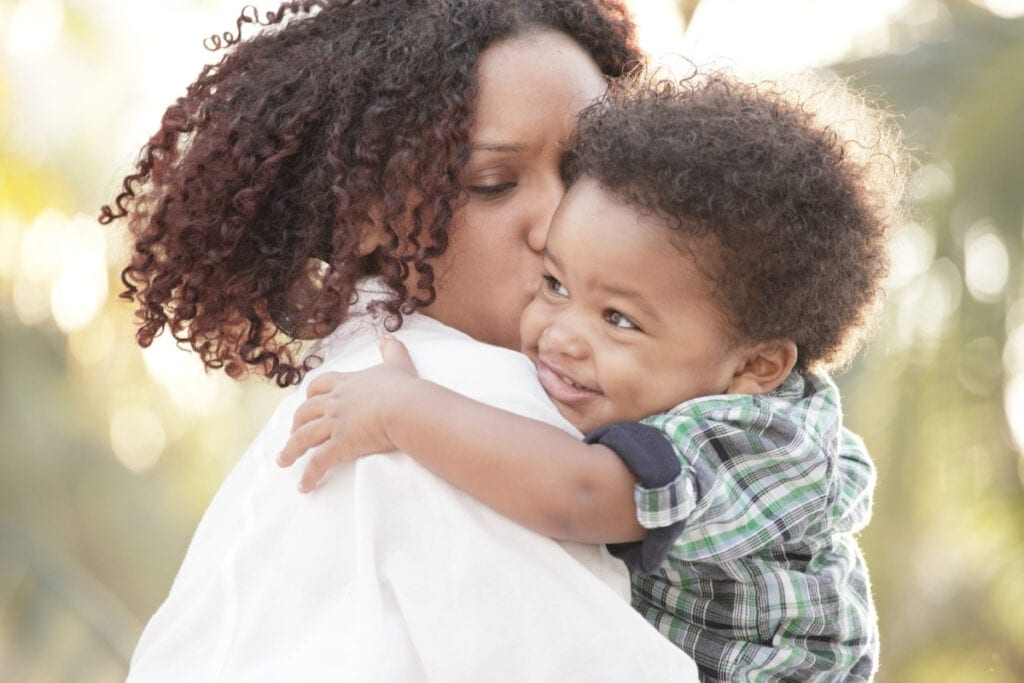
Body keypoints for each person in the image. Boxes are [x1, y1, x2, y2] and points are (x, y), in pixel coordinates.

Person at [101, 1, 699, 680]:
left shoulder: (361, 388)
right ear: (367, 219)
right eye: (495, 183)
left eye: (595, 166)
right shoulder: (453, 413)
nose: (564, 219)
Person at [278, 70, 908, 680]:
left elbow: (580, 495)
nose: (561, 336)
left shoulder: (753, 441)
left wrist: (404, 411)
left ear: (755, 366)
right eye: (555, 285)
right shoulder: (667, 388)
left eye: (618, 319)